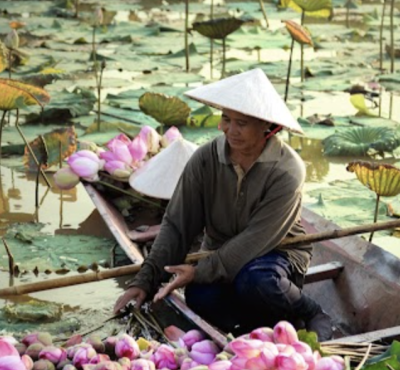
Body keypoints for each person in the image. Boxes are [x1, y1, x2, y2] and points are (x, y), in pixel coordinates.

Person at [112, 68, 336, 339]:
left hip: (276, 254)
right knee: (200, 297)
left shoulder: (287, 170)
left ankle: (310, 312)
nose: (230, 130)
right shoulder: (205, 159)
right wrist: (145, 280)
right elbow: (177, 225)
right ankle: (253, 329)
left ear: (269, 127)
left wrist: (198, 271)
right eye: (226, 119)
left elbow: (255, 240)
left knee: (257, 281)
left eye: (241, 123)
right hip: (218, 252)